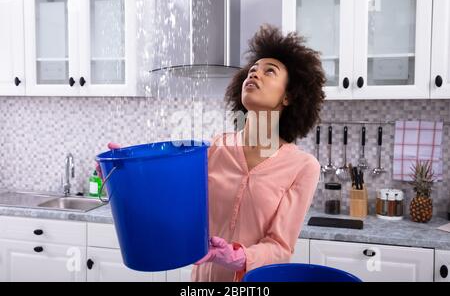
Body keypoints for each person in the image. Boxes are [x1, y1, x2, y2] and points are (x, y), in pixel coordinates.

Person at [97, 24, 326, 282]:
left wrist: (237, 257)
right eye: (251, 70)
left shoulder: (303, 167)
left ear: (288, 97)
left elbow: (281, 247)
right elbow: (170, 200)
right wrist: (125, 173)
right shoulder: (214, 149)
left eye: (268, 71)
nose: (254, 74)